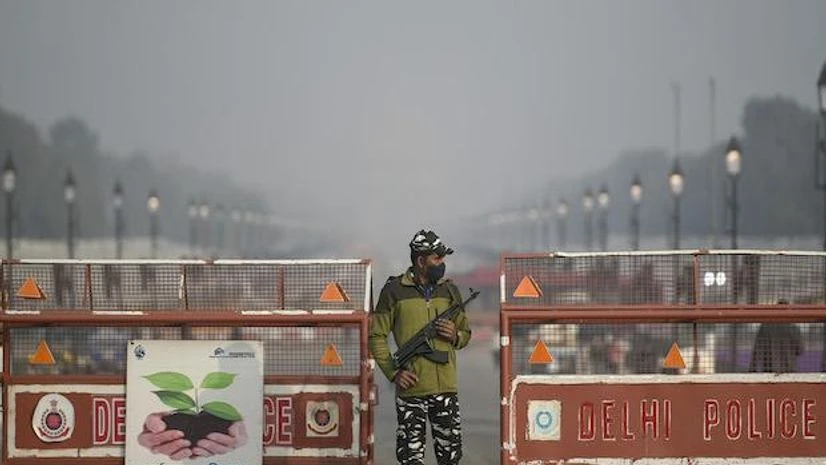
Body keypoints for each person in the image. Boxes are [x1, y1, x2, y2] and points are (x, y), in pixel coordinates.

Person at [369, 229, 472, 465]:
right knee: (411, 458)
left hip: (445, 389)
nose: (442, 264)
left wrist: (455, 335)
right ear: (421, 260)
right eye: (437, 259)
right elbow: (376, 336)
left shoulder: (449, 291)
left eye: (443, 258)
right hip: (411, 391)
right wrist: (394, 373)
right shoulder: (394, 291)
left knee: (450, 457)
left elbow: (466, 334)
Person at [749, 300, 803, 373]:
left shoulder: (765, 326)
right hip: (789, 369)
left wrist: (752, 369)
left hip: (769, 368)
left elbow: (757, 349)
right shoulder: (793, 327)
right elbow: (800, 350)